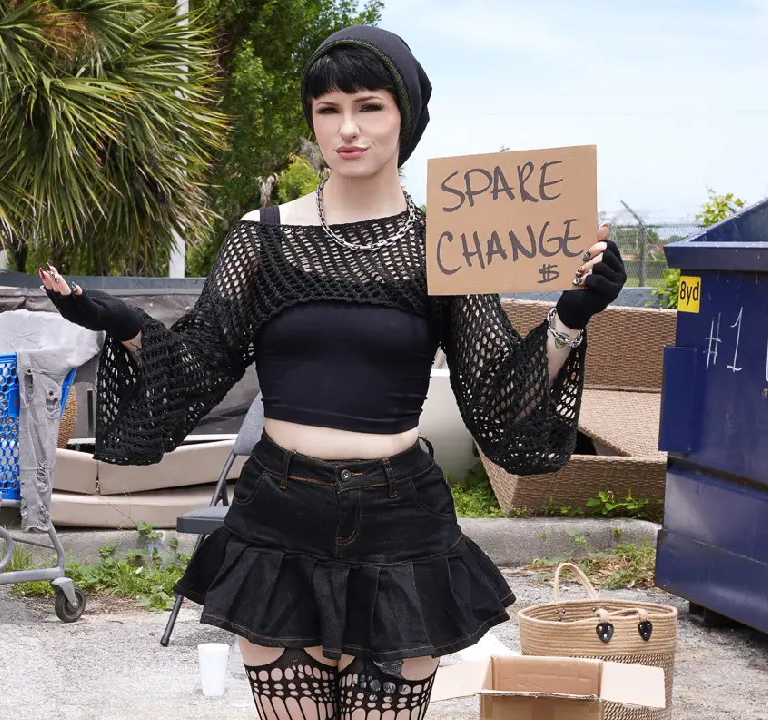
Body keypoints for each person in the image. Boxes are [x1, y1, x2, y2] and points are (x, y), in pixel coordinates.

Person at [42, 25, 625, 720]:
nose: (348, 128)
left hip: (400, 524)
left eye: (369, 106)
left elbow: (501, 401)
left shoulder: (443, 244)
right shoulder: (262, 238)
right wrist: (125, 324)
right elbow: (196, 369)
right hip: (280, 518)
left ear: (406, 117)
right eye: (328, 109)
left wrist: (570, 317)